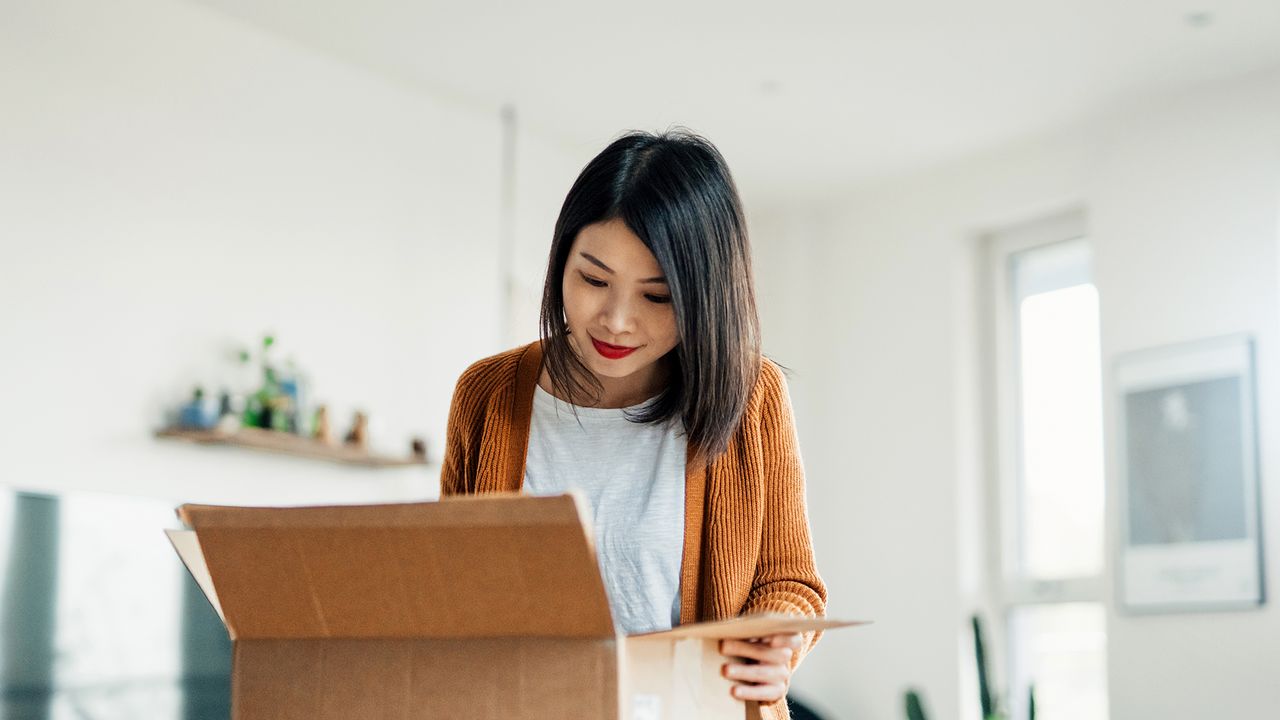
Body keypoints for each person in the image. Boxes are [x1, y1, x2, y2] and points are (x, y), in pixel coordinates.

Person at [440, 127, 826, 718]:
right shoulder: (487, 397)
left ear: (705, 297)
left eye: (658, 295)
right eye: (593, 279)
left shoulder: (752, 400)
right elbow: (447, 583)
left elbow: (790, 583)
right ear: (560, 261)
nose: (616, 321)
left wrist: (778, 640)